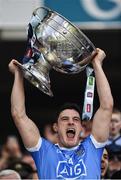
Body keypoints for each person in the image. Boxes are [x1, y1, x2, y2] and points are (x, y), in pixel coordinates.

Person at [9, 48, 113, 179]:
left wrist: (97, 64)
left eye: (76, 119)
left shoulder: (93, 148)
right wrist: (18, 75)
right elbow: (18, 115)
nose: (71, 122)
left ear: (81, 127)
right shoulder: (44, 152)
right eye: (64, 119)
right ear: (55, 127)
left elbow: (106, 107)